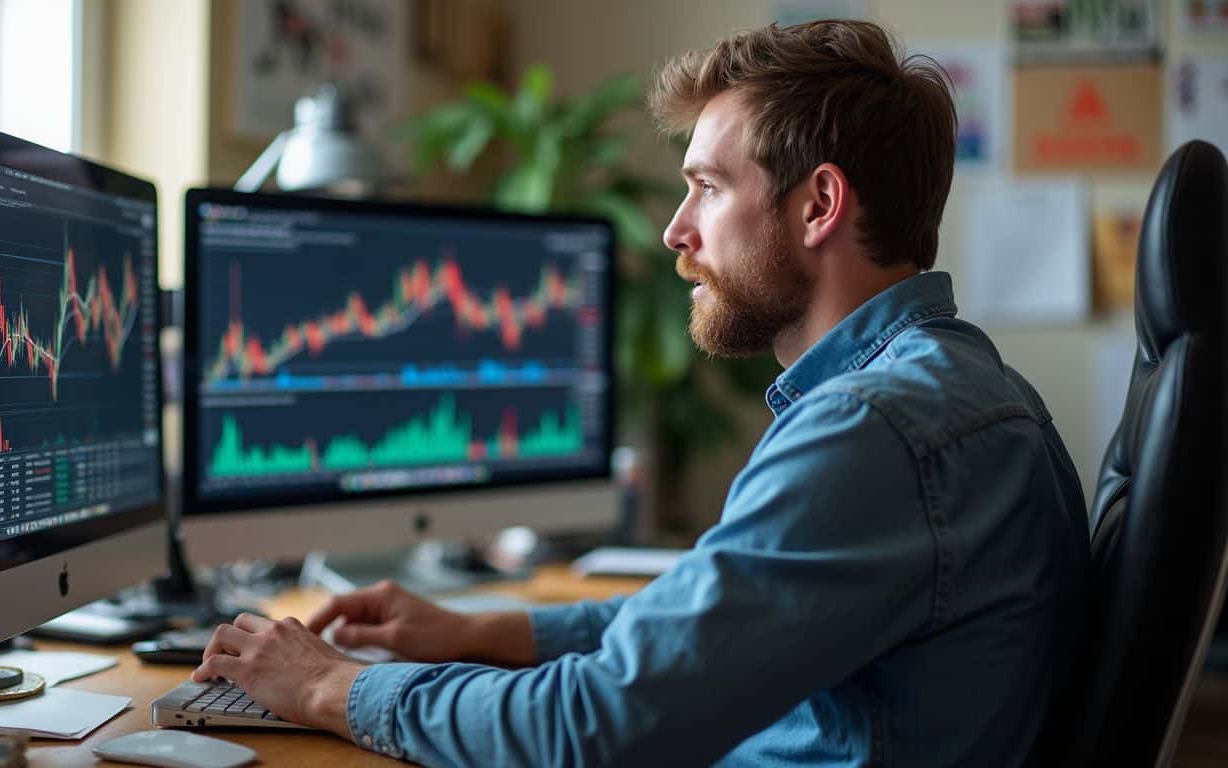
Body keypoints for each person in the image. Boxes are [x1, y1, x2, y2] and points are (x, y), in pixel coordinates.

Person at [192, 19, 1090, 766]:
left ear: (818, 206)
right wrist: (488, 633)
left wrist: (324, 683)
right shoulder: (952, 391)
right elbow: (717, 617)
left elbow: (596, 726)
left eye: (706, 188)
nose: (674, 230)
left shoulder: (874, 430)